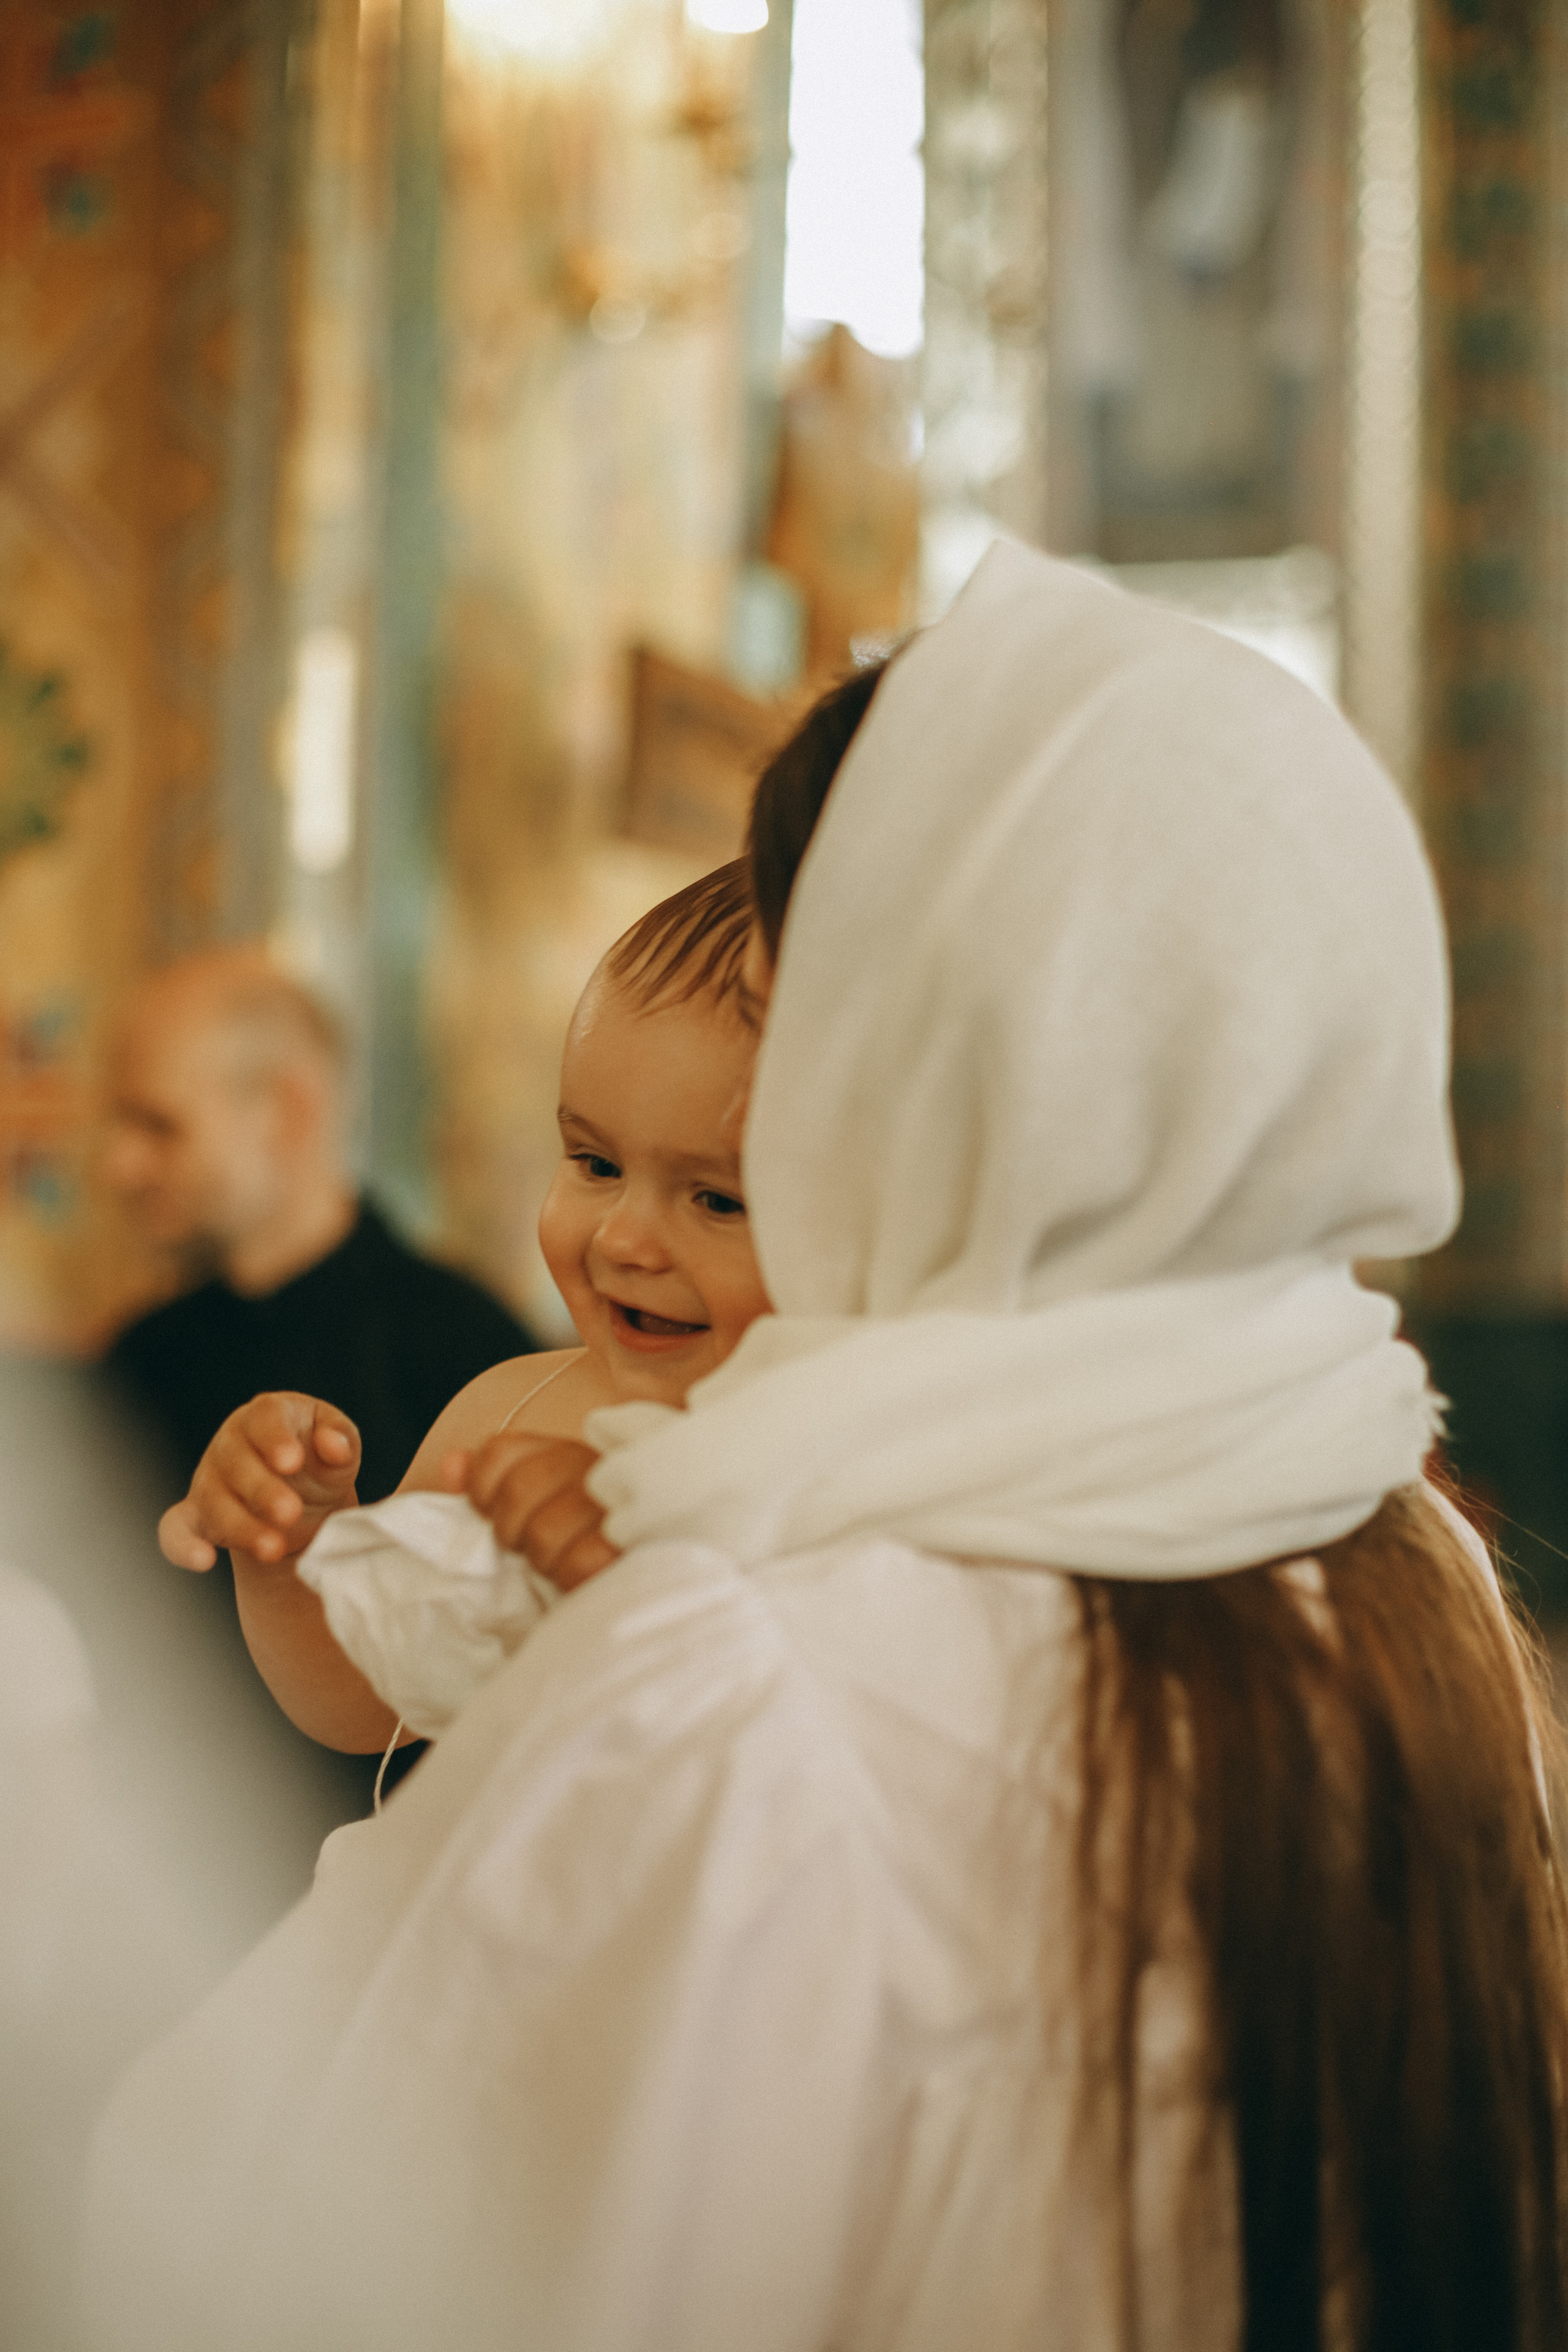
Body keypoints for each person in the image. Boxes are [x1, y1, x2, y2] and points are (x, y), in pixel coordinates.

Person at [81, 546, 1568, 2351]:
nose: (641, 1222)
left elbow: (303, 2253)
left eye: (821, 1018)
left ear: (951, 1078)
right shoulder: (1405, 1560)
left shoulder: (748, 1671)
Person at [155, 866, 769, 1758]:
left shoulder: (855, 1448)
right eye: (595, 1164)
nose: (622, 1241)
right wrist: (290, 1552)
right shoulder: (513, 1411)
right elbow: (363, 1696)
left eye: (715, 1200)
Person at [102, 948, 540, 1506]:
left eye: (159, 1126)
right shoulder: (140, 1358)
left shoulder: (466, 1354)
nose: (118, 1165)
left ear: (289, 1111)